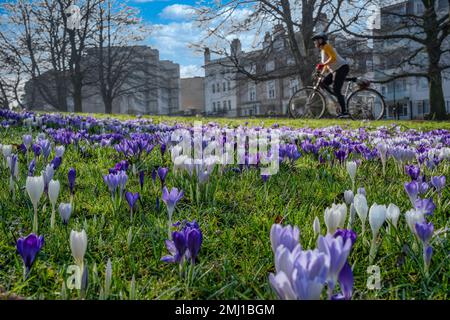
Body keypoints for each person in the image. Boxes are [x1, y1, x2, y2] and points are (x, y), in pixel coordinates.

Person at [312, 32, 350, 118]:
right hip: (336, 69)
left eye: (315, 41)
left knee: (336, 89)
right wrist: (320, 73)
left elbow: (333, 58)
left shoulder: (327, 46)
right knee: (323, 83)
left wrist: (322, 65)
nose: (314, 43)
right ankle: (338, 98)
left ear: (320, 40)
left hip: (342, 67)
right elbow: (326, 65)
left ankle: (344, 112)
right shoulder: (322, 50)